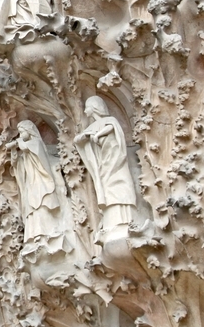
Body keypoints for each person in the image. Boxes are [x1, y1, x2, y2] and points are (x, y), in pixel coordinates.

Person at [74, 97, 137, 235]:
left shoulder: (110, 120)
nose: (85, 111)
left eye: (87, 107)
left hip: (115, 160)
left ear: (94, 108)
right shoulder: (92, 126)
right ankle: (111, 221)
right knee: (107, 190)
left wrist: (98, 134)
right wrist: (86, 136)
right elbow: (77, 139)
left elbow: (111, 127)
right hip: (103, 164)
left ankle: (127, 220)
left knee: (120, 186)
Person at [9, 121, 66, 252]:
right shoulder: (25, 150)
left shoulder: (36, 143)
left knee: (42, 206)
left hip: (41, 182)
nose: (20, 135)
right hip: (31, 183)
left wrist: (17, 143)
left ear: (29, 131)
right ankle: (35, 237)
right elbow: (17, 164)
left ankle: (49, 234)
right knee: (32, 210)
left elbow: (27, 147)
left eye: (22, 132)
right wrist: (13, 152)